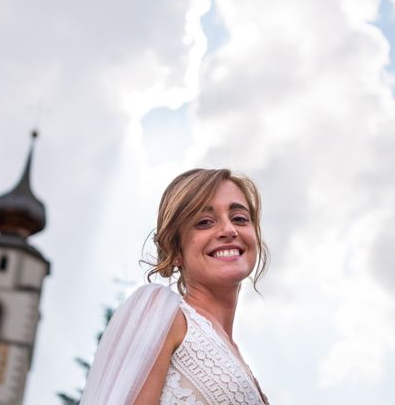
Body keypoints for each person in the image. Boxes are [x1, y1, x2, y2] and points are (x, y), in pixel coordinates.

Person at [80, 168, 270, 405]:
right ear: (176, 250)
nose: (229, 230)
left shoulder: (241, 361)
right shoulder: (161, 314)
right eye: (204, 222)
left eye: (239, 218)